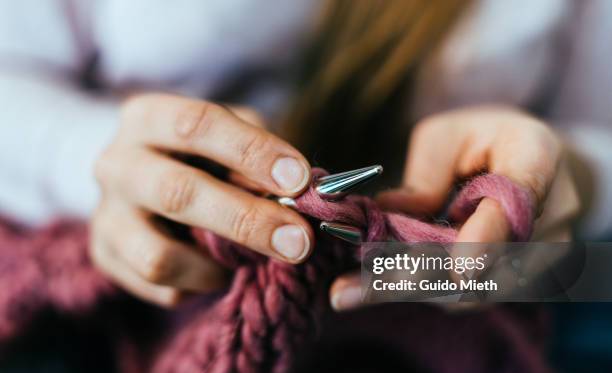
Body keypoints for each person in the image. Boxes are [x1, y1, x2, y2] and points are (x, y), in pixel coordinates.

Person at [0, 0, 610, 312]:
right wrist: (90, 156)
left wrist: (569, 182)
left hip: (468, 314)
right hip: (101, 291)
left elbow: (598, 137)